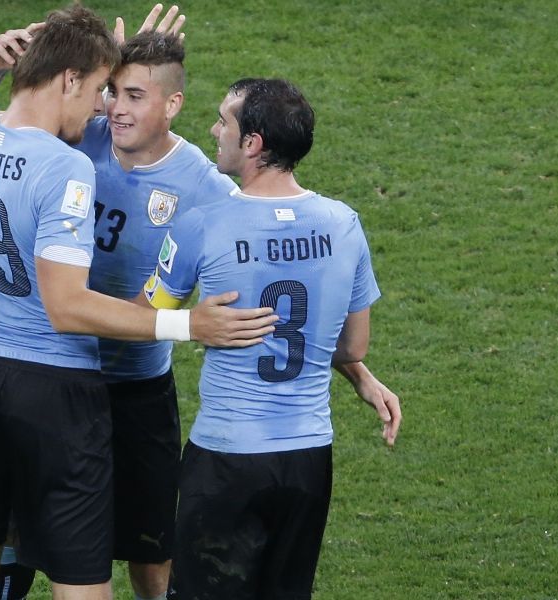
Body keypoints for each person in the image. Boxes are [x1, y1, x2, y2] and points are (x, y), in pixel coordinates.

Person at [0, 7, 400, 600]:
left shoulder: (212, 192)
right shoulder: (77, 137)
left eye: (133, 94)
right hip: (60, 373)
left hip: (132, 390)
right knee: (17, 548)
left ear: (172, 105)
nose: (115, 108)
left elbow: (266, 298)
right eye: (109, 92)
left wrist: (354, 369)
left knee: (150, 554)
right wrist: (57, 69)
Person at [140, 78, 402, 600]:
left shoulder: (202, 225)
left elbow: (146, 317)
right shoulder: (344, 224)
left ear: (253, 144)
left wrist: (67, 302)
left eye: (224, 122)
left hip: (226, 459)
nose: (214, 130)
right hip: (307, 460)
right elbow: (351, 348)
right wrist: (360, 379)